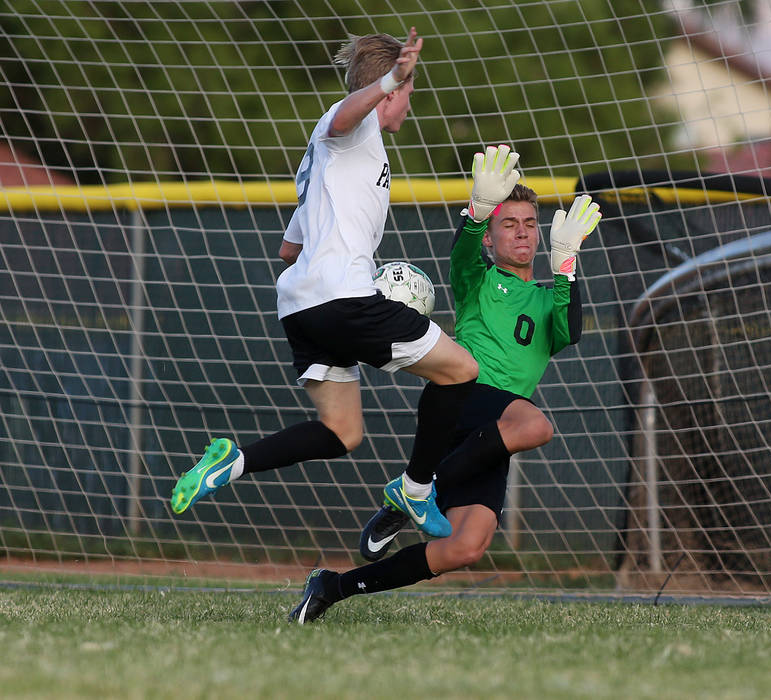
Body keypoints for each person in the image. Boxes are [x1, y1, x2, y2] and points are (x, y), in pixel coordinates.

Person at [170, 29, 501, 539]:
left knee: (342, 432)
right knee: (460, 371)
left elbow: (289, 250)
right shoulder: (353, 127)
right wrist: (393, 76)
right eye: (408, 92)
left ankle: (231, 463)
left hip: (303, 307)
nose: (409, 104)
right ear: (390, 92)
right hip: (341, 299)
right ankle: (415, 490)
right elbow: (347, 114)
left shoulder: (323, 161)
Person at [287, 145, 602, 623]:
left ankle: (333, 586)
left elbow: (570, 328)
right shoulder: (478, 278)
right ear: (491, 241)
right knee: (537, 426)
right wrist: (476, 211)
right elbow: (462, 252)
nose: (521, 232)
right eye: (508, 223)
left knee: (464, 548)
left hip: (492, 433)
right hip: (466, 399)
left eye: (529, 224)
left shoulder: (548, 297)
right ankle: (417, 489)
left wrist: (567, 263)